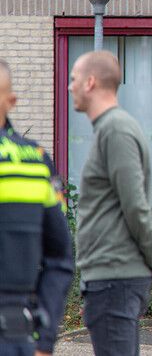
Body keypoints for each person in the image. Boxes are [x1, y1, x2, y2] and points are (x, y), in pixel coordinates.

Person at [69, 51, 152, 356]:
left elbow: (135, 204)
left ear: (91, 82)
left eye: (74, 79)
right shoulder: (113, 128)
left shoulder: (116, 129)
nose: (70, 87)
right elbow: (140, 203)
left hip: (114, 279)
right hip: (112, 278)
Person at [0, 60, 73, 356]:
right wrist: (44, 337)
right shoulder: (35, 160)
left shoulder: (35, 162)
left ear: (11, 102)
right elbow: (60, 257)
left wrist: (43, 339)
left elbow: (59, 256)